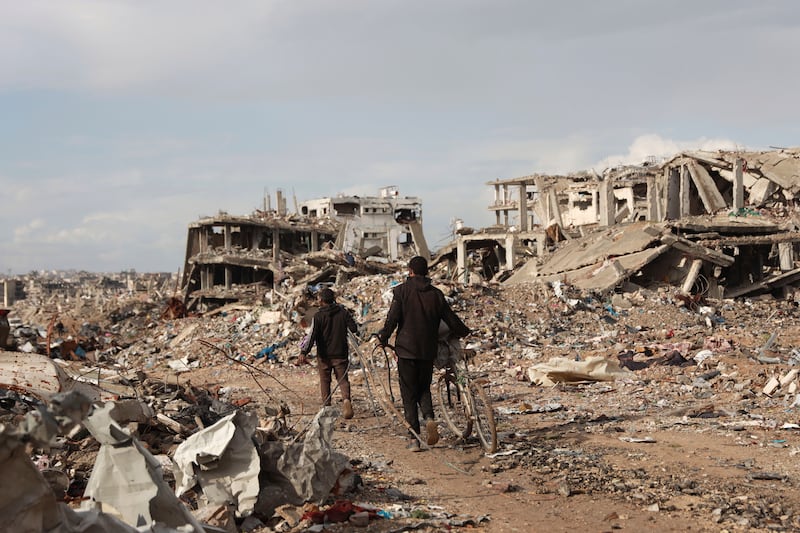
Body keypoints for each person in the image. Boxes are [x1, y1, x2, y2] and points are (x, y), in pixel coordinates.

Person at [378, 256, 471, 451]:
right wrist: (464, 332)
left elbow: (392, 318)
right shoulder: (436, 295)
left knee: (408, 392)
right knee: (424, 388)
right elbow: (450, 318)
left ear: (410, 271)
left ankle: (414, 438)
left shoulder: (401, 291)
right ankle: (429, 417)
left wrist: (383, 338)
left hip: (406, 350)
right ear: (426, 272)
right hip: (428, 351)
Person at [299, 288, 358, 419]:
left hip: (324, 355)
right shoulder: (343, 312)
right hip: (340, 352)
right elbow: (354, 328)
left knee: (325, 381)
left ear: (322, 301)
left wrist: (304, 352)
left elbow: (312, 335)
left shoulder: (318, 316)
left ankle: (327, 407)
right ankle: (346, 400)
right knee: (342, 380)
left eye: (319, 298)